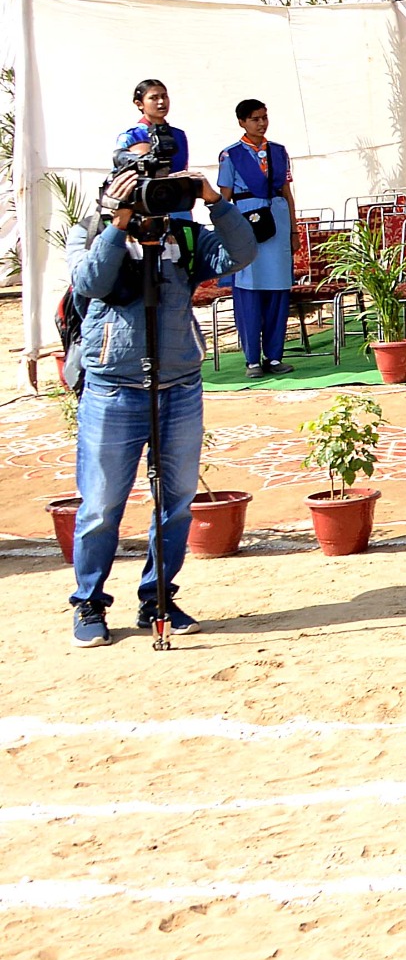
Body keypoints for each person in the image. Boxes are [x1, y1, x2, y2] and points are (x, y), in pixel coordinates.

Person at [65, 153, 257, 645]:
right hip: (113, 390)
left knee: (176, 504)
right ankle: (89, 602)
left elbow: (240, 254)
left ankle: (158, 597)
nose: (151, 197)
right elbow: (90, 283)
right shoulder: (91, 230)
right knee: (101, 506)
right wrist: (117, 224)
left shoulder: (183, 236)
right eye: (139, 187)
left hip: (179, 388)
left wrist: (214, 202)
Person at [215, 99, 297, 376]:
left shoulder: (279, 152)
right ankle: (252, 359)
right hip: (247, 222)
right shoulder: (231, 155)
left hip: (278, 222)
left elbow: (287, 193)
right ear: (242, 122)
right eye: (254, 119)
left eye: (264, 117)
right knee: (249, 290)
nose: (261, 123)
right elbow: (224, 198)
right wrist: (227, 233)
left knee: (278, 289)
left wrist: (294, 230)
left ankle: (274, 356)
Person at [115, 79, 189, 172]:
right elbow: (118, 173)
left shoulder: (179, 135)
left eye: (164, 96)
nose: (161, 101)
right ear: (139, 104)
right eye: (154, 98)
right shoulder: (130, 136)